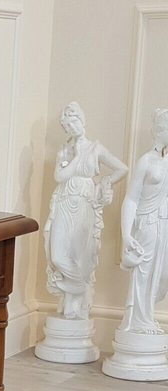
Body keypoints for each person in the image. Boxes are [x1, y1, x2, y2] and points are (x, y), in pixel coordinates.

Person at [44, 102, 129, 319]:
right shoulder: (64, 150)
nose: (72, 128)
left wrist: (103, 183)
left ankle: (73, 299)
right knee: (58, 256)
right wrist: (76, 157)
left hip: (85, 203)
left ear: (82, 121)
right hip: (64, 201)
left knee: (80, 255)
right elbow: (60, 177)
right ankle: (80, 288)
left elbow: (122, 168)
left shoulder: (95, 148)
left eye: (74, 122)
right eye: (67, 125)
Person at [119, 108, 168, 334]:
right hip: (146, 223)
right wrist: (126, 234)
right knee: (144, 273)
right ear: (159, 131)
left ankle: (147, 317)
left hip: (164, 225)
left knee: (160, 276)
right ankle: (138, 322)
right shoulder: (146, 161)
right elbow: (131, 199)